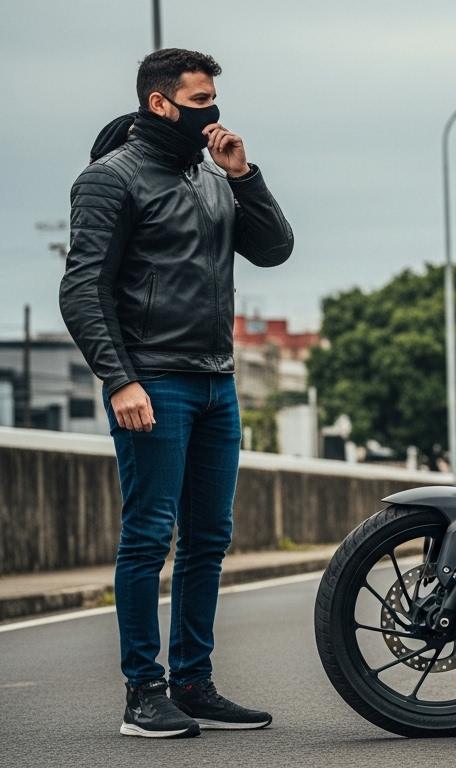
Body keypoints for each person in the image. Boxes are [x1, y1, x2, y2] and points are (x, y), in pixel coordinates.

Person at [60, 48, 294, 738]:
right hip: (153, 383)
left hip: (216, 381)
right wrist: (119, 378)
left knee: (209, 540)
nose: (212, 113)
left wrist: (244, 176)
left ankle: (194, 682)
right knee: (148, 537)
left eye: (213, 99)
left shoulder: (212, 175)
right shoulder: (110, 180)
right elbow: (82, 289)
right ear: (160, 103)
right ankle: (143, 693)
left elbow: (275, 248)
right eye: (199, 101)